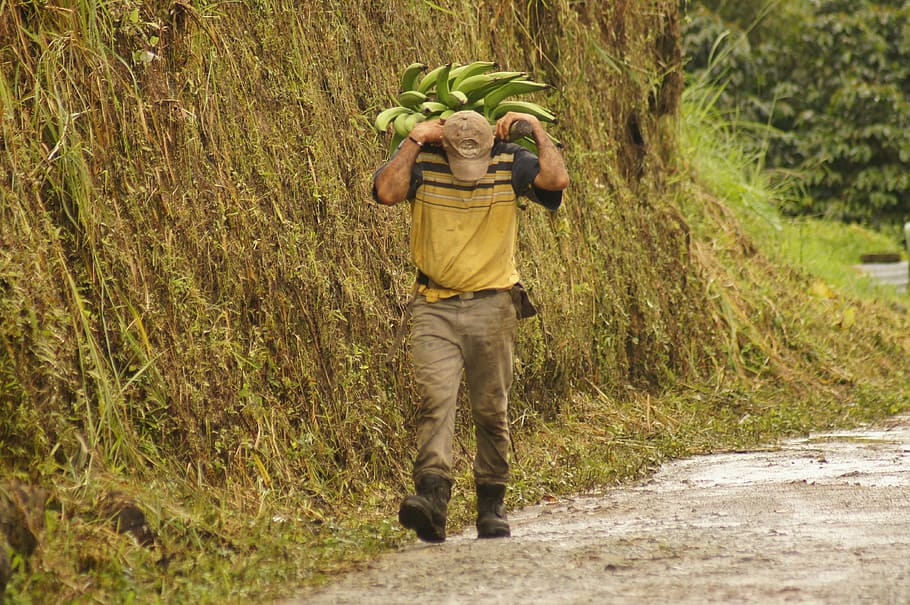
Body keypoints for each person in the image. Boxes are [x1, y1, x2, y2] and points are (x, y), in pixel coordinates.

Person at [372, 109, 569, 542]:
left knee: (490, 410)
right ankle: (432, 499)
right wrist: (415, 140)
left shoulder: (511, 161)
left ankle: (491, 503)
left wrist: (535, 130)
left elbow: (556, 182)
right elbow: (386, 192)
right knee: (435, 402)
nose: (467, 174)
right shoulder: (423, 163)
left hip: (493, 305)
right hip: (433, 305)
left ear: (491, 148)